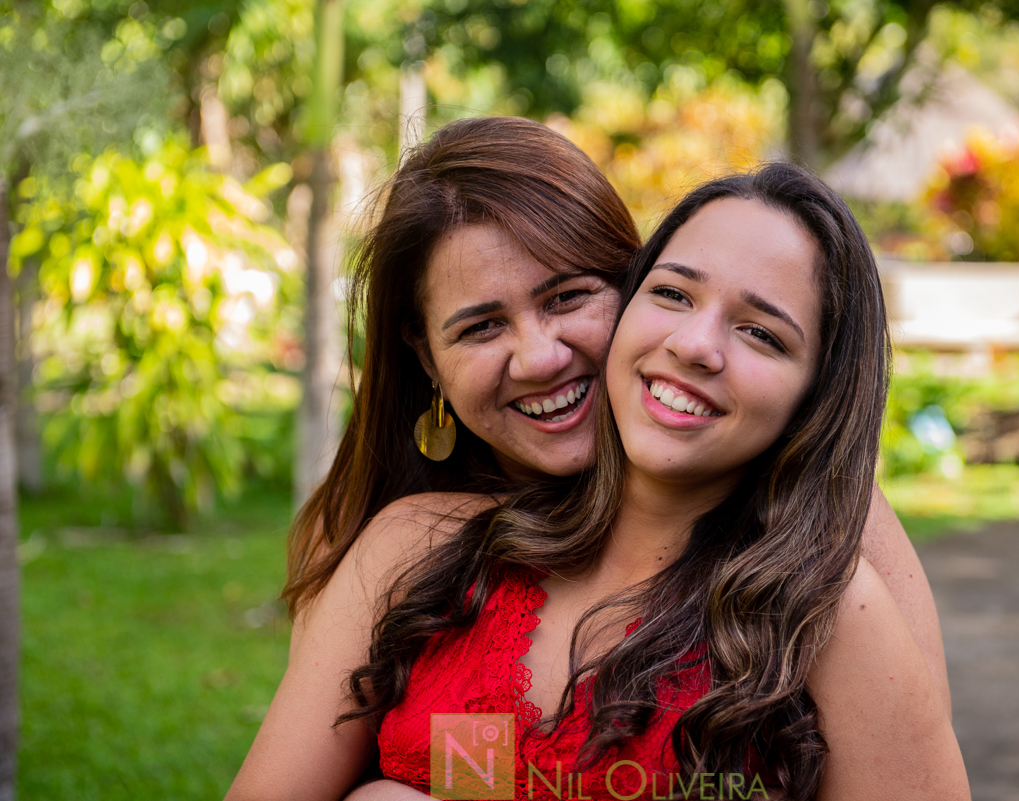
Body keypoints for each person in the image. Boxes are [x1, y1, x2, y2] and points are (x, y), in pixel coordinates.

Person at [227, 161, 967, 801]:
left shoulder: (826, 597)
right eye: (675, 293)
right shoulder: (415, 549)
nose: (695, 344)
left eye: (763, 333)